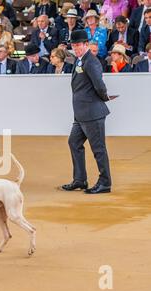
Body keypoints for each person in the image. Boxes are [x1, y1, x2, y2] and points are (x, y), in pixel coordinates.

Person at [61, 30, 113, 194]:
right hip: (81, 114)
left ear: (86, 44)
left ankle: (105, 182)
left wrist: (104, 97)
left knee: (98, 149)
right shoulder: (79, 60)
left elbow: (99, 85)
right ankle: (80, 179)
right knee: (74, 142)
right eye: (74, 45)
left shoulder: (91, 61)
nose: (76, 48)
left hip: (92, 113)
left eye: (78, 45)